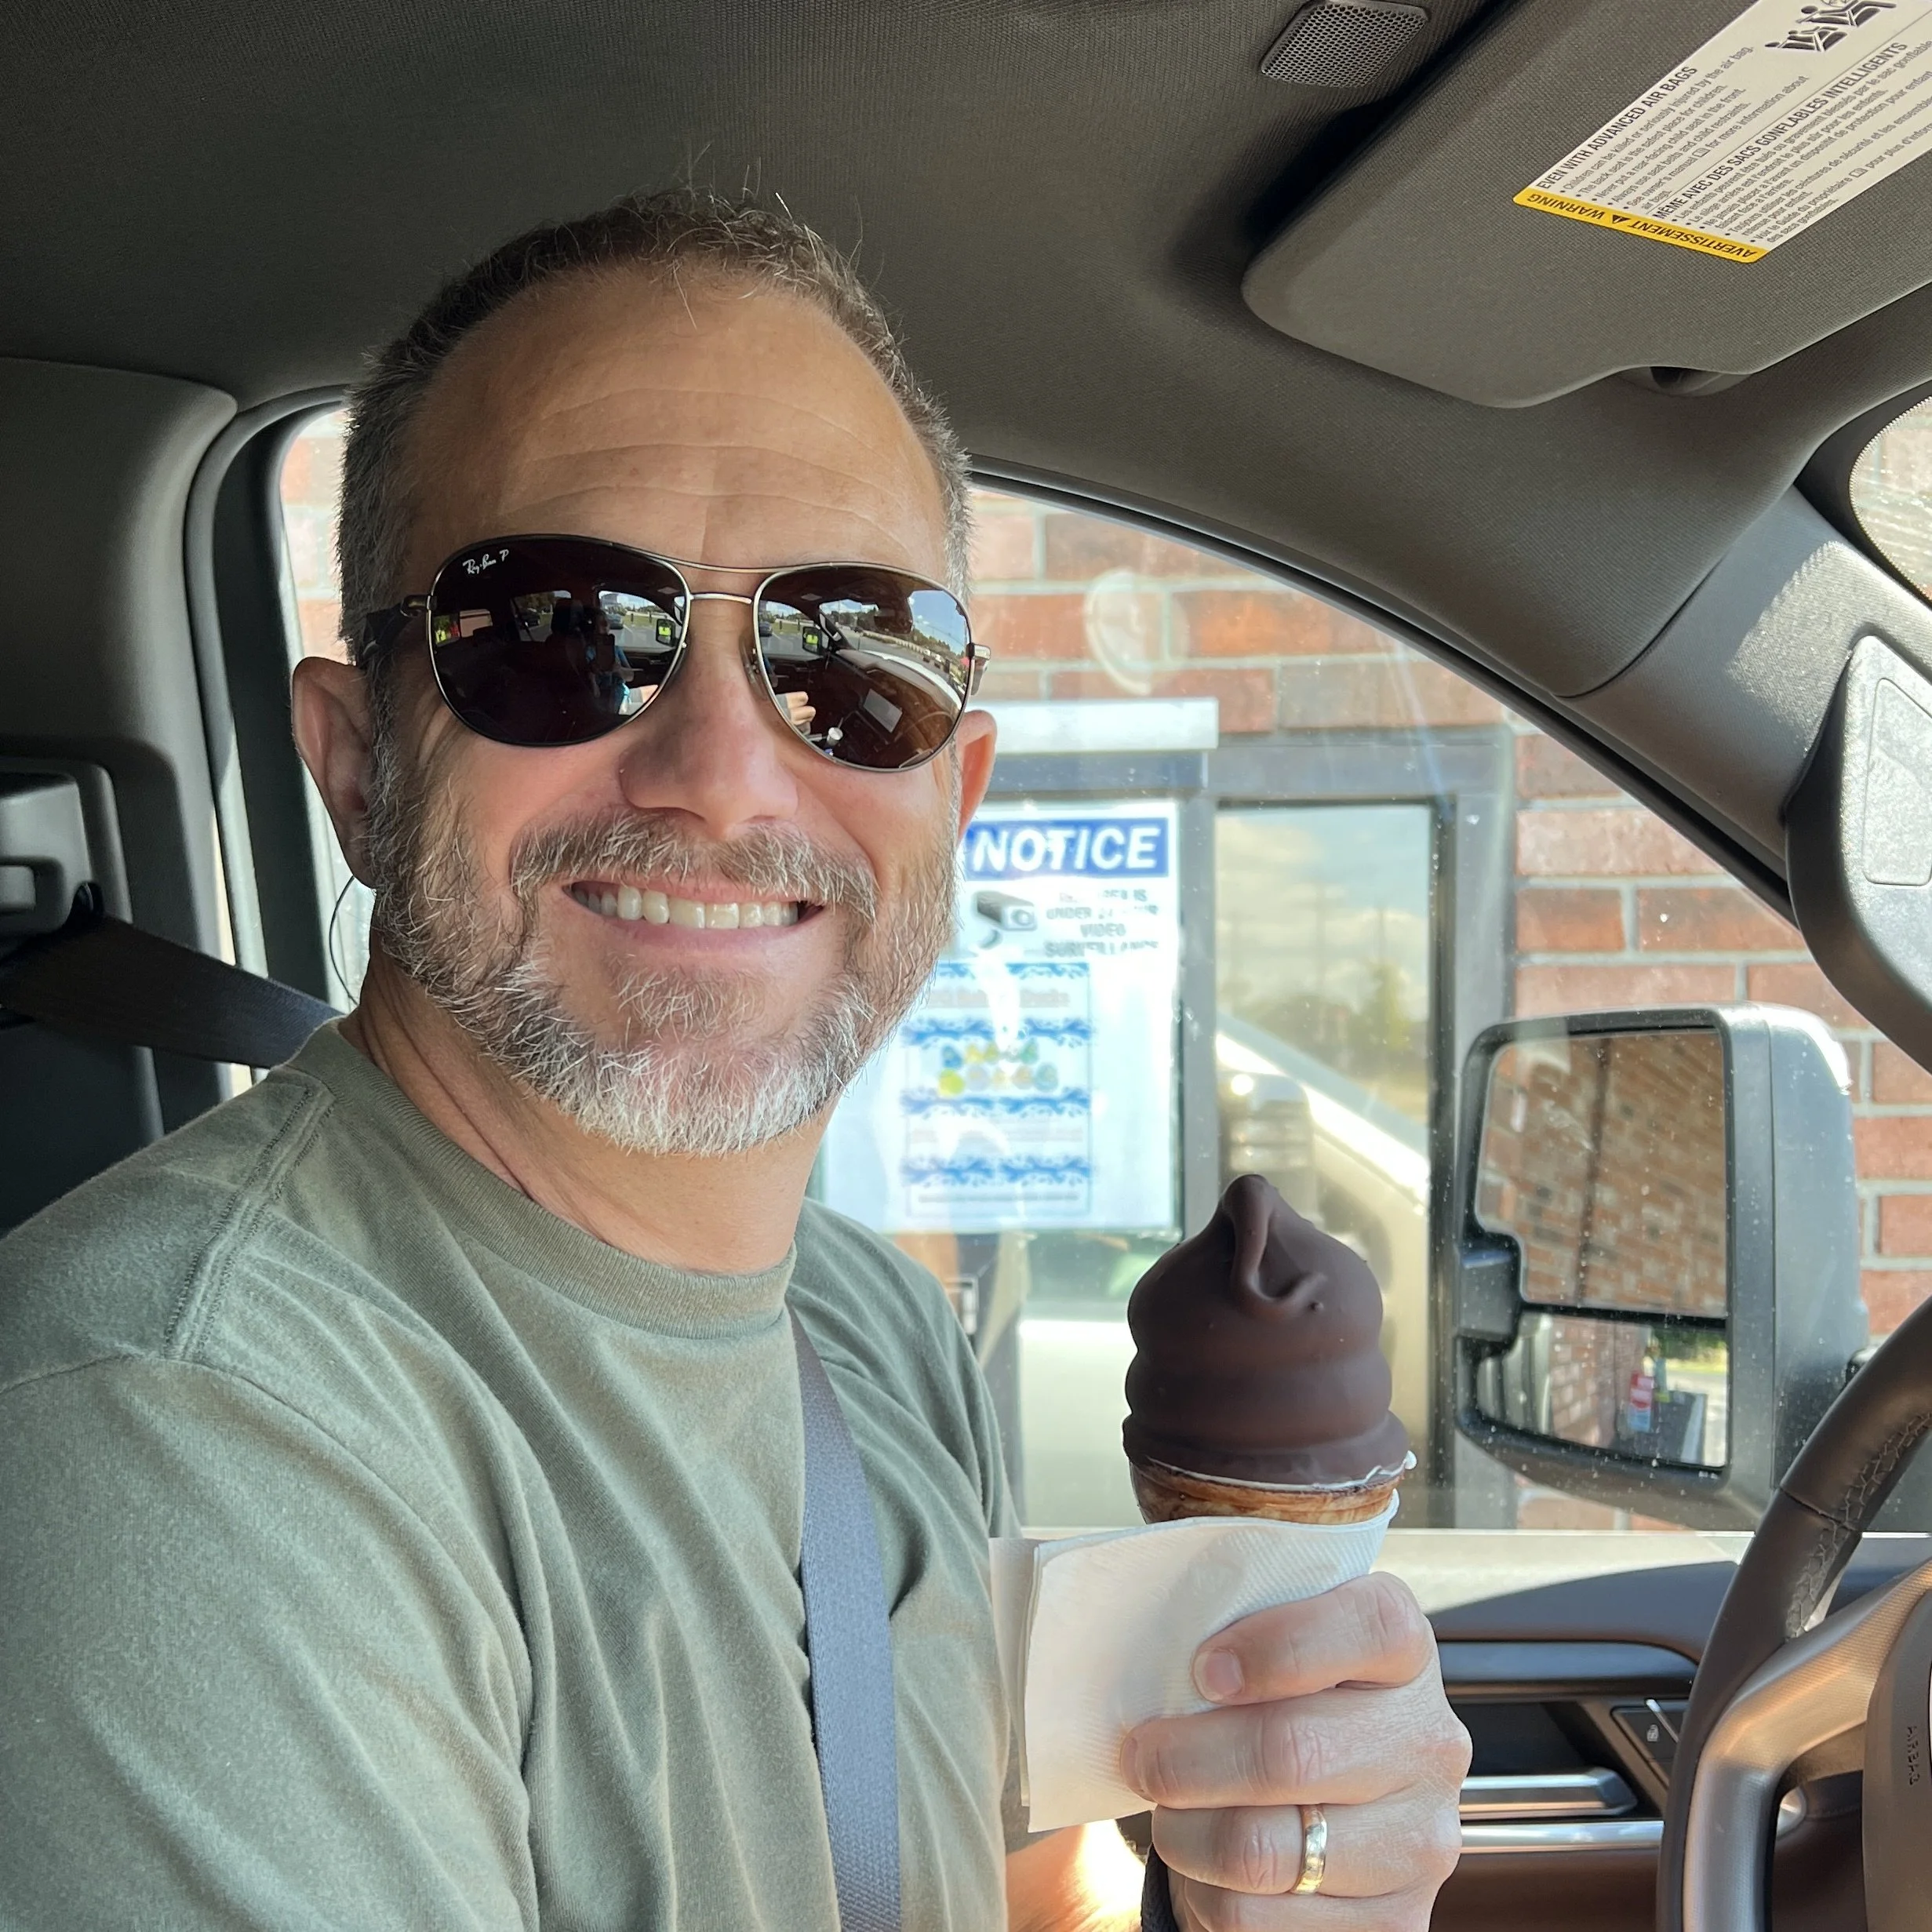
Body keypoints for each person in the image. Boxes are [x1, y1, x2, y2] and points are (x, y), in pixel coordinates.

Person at [0, 191, 1467, 1930]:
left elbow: (1008, 1895)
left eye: (848, 659)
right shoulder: (183, 1431)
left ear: (952, 795)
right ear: (355, 765)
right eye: (558, 632)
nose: (718, 770)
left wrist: (1264, 1898)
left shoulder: (869, 1324)